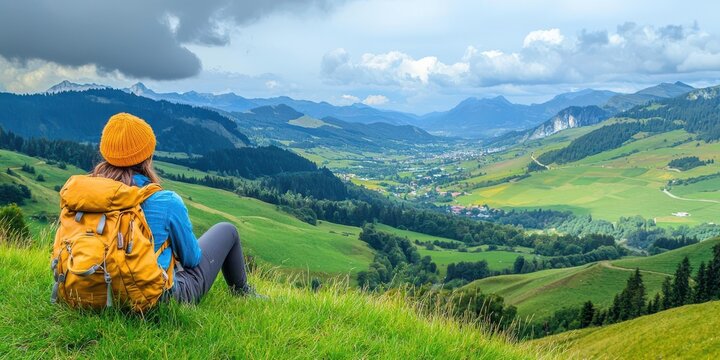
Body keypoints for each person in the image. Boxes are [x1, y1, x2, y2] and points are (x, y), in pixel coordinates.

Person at [92, 112, 261, 303]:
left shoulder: (87, 195)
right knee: (227, 230)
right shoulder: (166, 201)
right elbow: (192, 258)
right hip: (155, 297)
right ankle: (243, 293)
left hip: (92, 286)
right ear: (147, 156)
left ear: (105, 153)